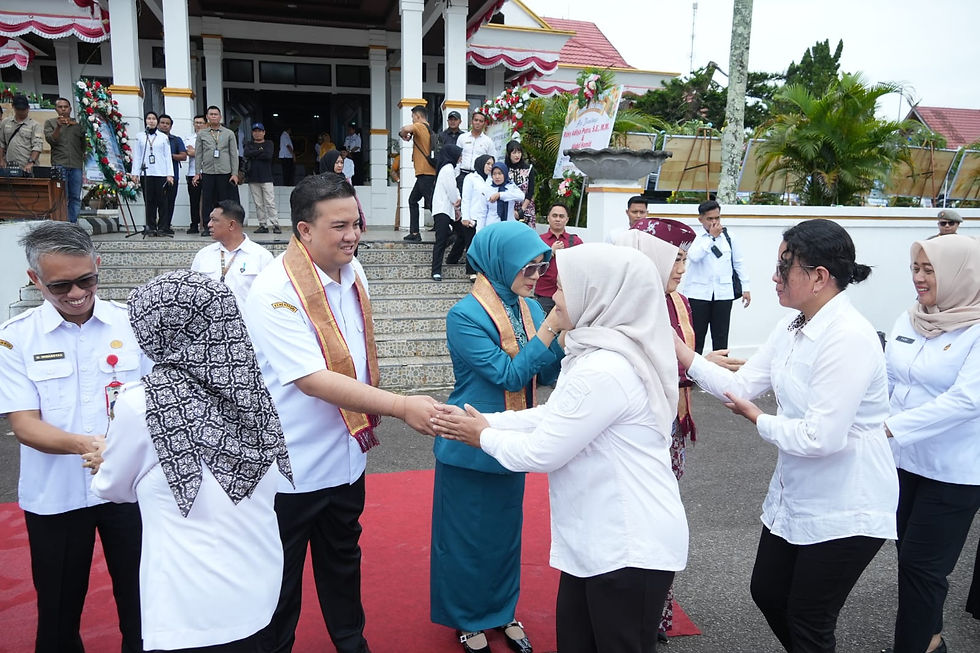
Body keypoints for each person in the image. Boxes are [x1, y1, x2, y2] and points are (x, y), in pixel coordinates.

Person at [430, 242, 688, 653]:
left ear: (597, 294)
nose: (553, 295)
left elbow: (543, 450)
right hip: (600, 539)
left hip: (624, 544)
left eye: (564, 286)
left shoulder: (604, 367)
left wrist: (481, 434)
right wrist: (486, 422)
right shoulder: (598, 352)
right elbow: (553, 414)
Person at [674, 218, 899, 653]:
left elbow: (821, 437)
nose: (774, 278)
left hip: (848, 501)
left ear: (819, 277)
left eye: (784, 266)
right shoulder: (795, 324)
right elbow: (740, 386)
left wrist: (758, 419)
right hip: (799, 491)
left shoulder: (847, 336)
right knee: (769, 592)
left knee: (809, 617)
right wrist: (684, 353)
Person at [242, 173, 439, 653]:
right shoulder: (275, 287)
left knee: (343, 563)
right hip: (289, 468)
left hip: (346, 458)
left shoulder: (354, 271)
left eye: (356, 222)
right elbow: (311, 379)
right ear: (304, 231)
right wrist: (401, 406)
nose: (353, 235)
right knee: (279, 582)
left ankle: (351, 643)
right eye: (339, 226)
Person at [90, 270, 293, 652]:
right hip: (260, 591)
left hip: (188, 610)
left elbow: (111, 487)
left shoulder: (142, 403)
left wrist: (106, 455)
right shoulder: (251, 391)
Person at [0, 221, 149, 653]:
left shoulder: (132, 324)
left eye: (86, 280)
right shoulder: (16, 339)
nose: (76, 293)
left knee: (143, 606)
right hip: (57, 496)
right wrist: (90, 446)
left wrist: (122, 452)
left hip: (129, 493)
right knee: (59, 612)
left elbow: (160, 401)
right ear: (35, 280)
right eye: (60, 285)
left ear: (98, 266)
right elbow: (25, 425)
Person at [430, 221, 566, 653]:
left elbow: (548, 371)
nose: (536, 276)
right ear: (501, 263)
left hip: (512, 438)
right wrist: (549, 330)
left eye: (541, 267)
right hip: (467, 440)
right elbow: (507, 374)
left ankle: (503, 612)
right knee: (465, 540)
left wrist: (568, 332)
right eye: (528, 268)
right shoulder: (464, 315)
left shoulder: (531, 308)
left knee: (506, 539)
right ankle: (468, 621)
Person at [880, 234, 980, 653]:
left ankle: (918, 644)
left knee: (922, 567)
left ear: (961, 273)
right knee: (913, 564)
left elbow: (966, 400)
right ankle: (931, 641)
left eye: (930, 269)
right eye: (915, 269)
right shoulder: (912, 318)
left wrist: (891, 427)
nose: (919, 278)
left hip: (954, 471)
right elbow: (886, 377)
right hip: (903, 464)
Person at [683, 199, 752, 353]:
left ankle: (721, 371)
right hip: (698, 295)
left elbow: (738, 263)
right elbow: (694, 257)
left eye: (717, 218)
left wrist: (746, 287)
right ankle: (692, 374)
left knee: (721, 337)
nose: (714, 222)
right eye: (710, 219)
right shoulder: (695, 237)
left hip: (723, 293)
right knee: (696, 337)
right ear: (700, 219)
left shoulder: (730, 237)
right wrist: (712, 239)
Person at [191, 199, 274, 308]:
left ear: (231, 225)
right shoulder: (203, 255)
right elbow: (192, 292)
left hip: (246, 323)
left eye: (214, 220)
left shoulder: (261, 257)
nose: (209, 224)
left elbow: (271, 298)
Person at [193, 105, 241, 236]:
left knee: (224, 201)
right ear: (207, 117)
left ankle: (225, 227)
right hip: (208, 172)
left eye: (216, 114)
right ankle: (208, 227)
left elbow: (233, 154)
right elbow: (198, 154)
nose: (213, 116)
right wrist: (197, 172)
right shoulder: (202, 134)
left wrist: (234, 173)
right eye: (211, 114)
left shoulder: (229, 133)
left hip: (224, 172)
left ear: (220, 117)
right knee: (207, 201)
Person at [452, 154, 494, 282]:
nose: (490, 167)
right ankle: (471, 271)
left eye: (491, 164)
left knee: (486, 246)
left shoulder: (491, 179)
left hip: (487, 218)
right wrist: (465, 217)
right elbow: (467, 198)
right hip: (472, 217)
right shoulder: (471, 178)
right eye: (488, 164)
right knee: (472, 244)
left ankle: (484, 271)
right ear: (481, 163)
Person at [132, 111, 175, 237]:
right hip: (147, 173)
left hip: (160, 172)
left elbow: (167, 156)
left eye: (153, 119)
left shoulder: (163, 137)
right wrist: (135, 173)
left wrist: (169, 174)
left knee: (162, 202)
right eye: (149, 118)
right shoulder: (140, 136)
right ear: (145, 121)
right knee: (149, 201)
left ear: (157, 121)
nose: (151, 121)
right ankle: (150, 226)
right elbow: (137, 156)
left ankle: (162, 227)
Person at [44, 97, 86, 224]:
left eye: (65, 107)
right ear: (56, 109)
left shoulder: (78, 126)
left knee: (75, 197)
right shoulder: (50, 123)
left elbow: (83, 145)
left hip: (76, 165)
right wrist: (58, 127)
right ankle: (62, 223)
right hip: (59, 165)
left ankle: (72, 224)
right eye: (60, 107)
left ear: (70, 109)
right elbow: (51, 140)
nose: (63, 109)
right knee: (61, 196)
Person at [535, 202, 582, 313]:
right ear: (548, 218)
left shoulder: (575, 241)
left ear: (567, 219)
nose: (558, 219)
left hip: (568, 295)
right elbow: (533, 265)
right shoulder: (539, 240)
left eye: (561, 216)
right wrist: (550, 252)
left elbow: (582, 266)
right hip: (544, 294)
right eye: (554, 216)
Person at [399, 105, 437, 242]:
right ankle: (415, 233)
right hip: (424, 173)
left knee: (432, 203)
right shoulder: (427, 128)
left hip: (425, 173)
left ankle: (449, 230)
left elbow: (405, 129)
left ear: (417, 116)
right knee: (413, 200)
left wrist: (404, 134)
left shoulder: (420, 126)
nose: (413, 120)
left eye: (412, 117)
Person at [431, 143, 463, 281]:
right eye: (459, 155)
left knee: (461, 233)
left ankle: (452, 258)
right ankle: (436, 271)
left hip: (447, 209)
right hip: (442, 209)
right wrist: (458, 202)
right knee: (441, 240)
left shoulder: (449, 169)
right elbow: (452, 191)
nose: (461, 158)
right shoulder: (448, 169)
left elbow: (453, 189)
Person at [244, 122, 281, 234]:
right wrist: (259, 151)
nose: (257, 133)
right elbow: (246, 153)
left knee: (270, 202)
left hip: (267, 177)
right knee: (258, 203)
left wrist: (254, 153)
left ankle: (275, 224)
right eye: (255, 131)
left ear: (264, 132)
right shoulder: (249, 144)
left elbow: (268, 155)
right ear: (252, 133)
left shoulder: (269, 143)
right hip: (253, 178)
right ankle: (263, 225)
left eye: (260, 131)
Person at [157, 114, 188, 236]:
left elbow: (183, 156)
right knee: (157, 202)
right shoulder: (153, 139)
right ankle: (156, 226)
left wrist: (169, 156)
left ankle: (166, 225)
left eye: (167, 123)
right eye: (162, 123)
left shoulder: (176, 140)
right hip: (157, 176)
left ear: (170, 126)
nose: (164, 125)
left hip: (172, 176)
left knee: (170, 201)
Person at [474, 161, 525, 232]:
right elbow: (482, 213)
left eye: (500, 173)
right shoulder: (487, 189)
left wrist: (500, 195)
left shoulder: (511, 186)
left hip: (508, 227)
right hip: (492, 227)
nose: (497, 177)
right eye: (494, 174)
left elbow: (521, 197)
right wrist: (479, 232)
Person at [0, 94, 44, 173]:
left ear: (28, 108)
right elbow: (1, 143)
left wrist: (31, 162)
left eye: (23, 109)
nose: (21, 112)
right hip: (9, 167)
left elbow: (37, 146)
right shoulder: (5, 122)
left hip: (27, 168)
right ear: (13, 107)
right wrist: (1, 160)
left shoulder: (35, 125)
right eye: (18, 109)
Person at [456, 110, 495, 191]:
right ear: (471, 121)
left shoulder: (488, 141)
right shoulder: (462, 138)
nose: (478, 123)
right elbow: (457, 158)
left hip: (479, 176)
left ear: (484, 124)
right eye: (476, 120)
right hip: (462, 175)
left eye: (481, 121)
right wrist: (456, 175)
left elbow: (492, 160)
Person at [184, 114, 207, 234]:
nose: (198, 125)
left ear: (205, 124)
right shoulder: (189, 138)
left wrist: (195, 151)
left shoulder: (209, 137)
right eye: (196, 122)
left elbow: (208, 153)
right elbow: (187, 152)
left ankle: (207, 225)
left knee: (208, 201)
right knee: (194, 200)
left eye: (200, 122)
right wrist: (198, 152)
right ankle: (194, 224)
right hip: (192, 172)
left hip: (207, 172)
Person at [506, 140, 536, 226]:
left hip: (527, 208)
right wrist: (512, 211)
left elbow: (531, 191)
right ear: (509, 154)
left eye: (519, 152)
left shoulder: (528, 168)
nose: (517, 155)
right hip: (510, 209)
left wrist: (522, 210)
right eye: (514, 153)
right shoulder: (504, 169)